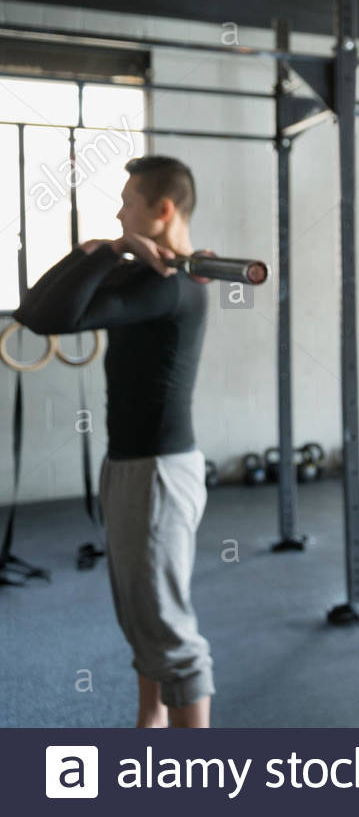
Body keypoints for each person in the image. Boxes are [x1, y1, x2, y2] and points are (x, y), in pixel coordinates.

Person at [15, 155, 215, 728]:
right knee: (140, 612)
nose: (120, 210)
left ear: (163, 209)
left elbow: (45, 319)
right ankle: (148, 725)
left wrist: (109, 250)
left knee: (170, 635)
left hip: (156, 473)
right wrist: (109, 248)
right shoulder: (149, 276)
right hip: (135, 466)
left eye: (128, 201)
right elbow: (37, 309)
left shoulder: (168, 286)